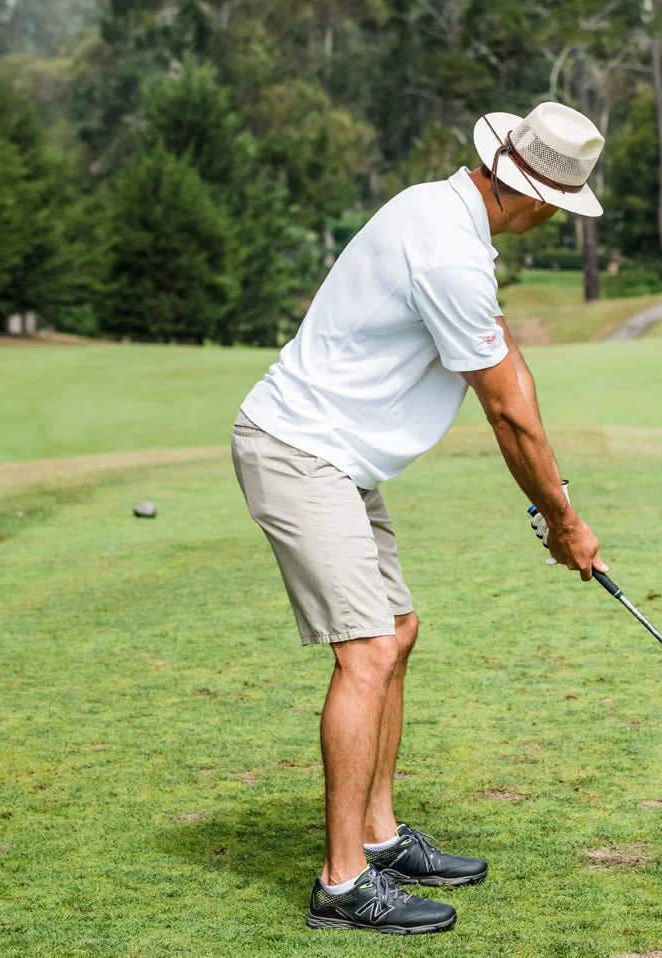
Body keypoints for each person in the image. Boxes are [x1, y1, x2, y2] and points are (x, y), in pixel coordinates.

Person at [230, 102, 608, 935]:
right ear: (541, 199)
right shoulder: (450, 254)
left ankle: (380, 836)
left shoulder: (440, 210)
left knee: (396, 631)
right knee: (365, 651)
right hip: (299, 450)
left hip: (338, 456)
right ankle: (341, 884)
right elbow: (506, 411)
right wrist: (564, 522)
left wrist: (560, 506)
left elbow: (509, 363)